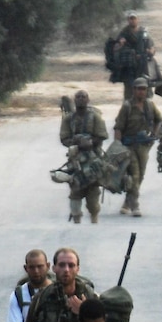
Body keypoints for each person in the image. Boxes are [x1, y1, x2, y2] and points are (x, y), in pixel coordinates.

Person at [113, 77, 162, 217]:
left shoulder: (149, 105)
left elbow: (159, 120)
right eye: (139, 89)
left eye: (144, 89)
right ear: (134, 90)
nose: (141, 92)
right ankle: (135, 205)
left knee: (140, 176)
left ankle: (127, 202)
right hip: (129, 145)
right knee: (134, 174)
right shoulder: (127, 106)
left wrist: (155, 133)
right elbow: (118, 127)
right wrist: (117, 147)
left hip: (144, 146)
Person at [59, 90, 108, 224]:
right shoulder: (69, 118)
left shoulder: (95, 117)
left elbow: (102, 135)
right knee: (75, 187)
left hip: (93, 159)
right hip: (76, 159)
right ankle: (76, 218)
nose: (81, 99)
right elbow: (64, 138)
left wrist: (91, 142)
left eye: (83, 97)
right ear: (74, 100)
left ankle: (94, 216)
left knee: (93, 191)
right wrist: (76, 143)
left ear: (88, 99)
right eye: (78, 97)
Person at [115, 11, 156, 101]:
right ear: (128, 20)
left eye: (134, 19)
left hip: (142, 64)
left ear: (137, 20)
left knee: (145, 83)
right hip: (129, 65)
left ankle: (146, 104)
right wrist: (121, 44)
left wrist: (150, 51)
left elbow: (151, 46)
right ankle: (129, 107)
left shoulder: (143, 32)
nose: (132, 21)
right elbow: (116, 48)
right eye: (131, 19)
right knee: (129, 88)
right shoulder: (124, 33)